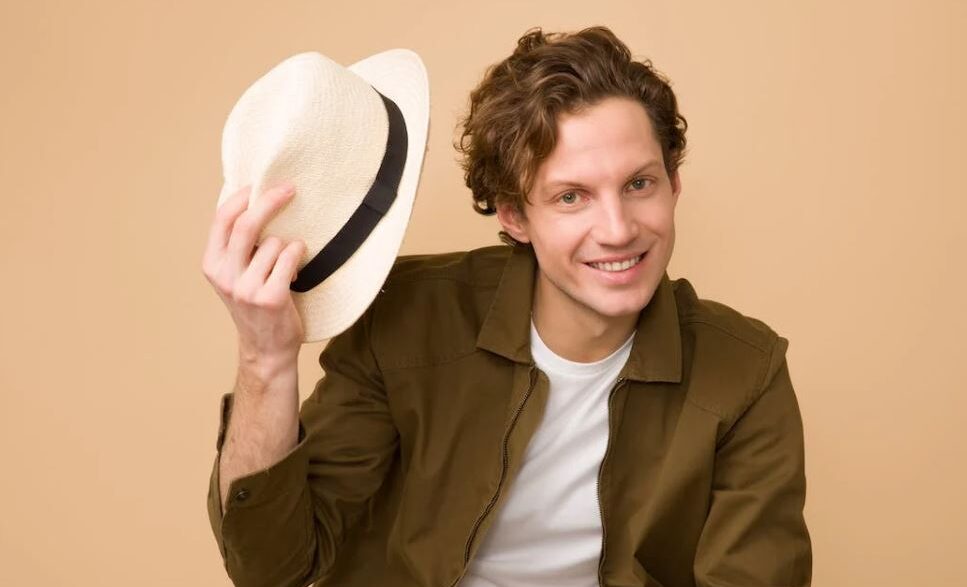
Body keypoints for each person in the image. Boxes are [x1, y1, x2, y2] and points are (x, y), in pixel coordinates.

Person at [201, 26, 812, 587]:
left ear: (673, 184)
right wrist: (265, 359)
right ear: (516, 215)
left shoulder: (745, 372)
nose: (618, 228)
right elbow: (272, 568)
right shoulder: (404, 319)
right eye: (571, 196)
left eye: (638, 184)